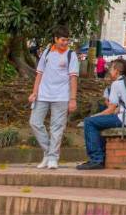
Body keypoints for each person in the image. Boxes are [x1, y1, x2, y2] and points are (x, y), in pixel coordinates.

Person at [77, 59, 126, 170]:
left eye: (111, 68)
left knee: (90, 122)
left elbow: (111, 110)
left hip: (125, 120)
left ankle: (96, 159)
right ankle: (102, 157)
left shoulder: (117, 84)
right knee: (99, 123)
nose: (109, 71)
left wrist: (94, 116)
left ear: (116, 71)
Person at [28, 26, 78, 170]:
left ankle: (52, 158)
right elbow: (39, 73)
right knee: (35, 122)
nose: (65, 43)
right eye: (62, 40)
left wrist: (72, 99)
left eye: (67, 40)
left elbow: (73, 78)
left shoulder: (71, 55)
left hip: (62, 96)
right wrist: (34, 92)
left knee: (57, 128)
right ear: (55, 39)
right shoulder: (47, 52)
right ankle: (49, 152)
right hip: (43, 94)